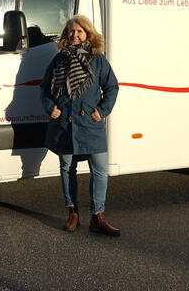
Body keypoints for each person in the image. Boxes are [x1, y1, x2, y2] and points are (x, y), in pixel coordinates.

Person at [40, 15, 121, 236]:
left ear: (87, 34)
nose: (74, 35)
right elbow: (45, 89)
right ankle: (73, 213)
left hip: (90, 123)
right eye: (71, 31)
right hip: (64, 123)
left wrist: (102, 111)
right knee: (67, 168)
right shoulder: (59, 60)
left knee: (100, 169)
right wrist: (51, 107)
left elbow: (112, 87)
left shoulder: (98, 60)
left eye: (79, 32)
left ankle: (98, 216)